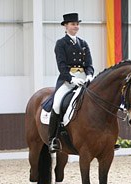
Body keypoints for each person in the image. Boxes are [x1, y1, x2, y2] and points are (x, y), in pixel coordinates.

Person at [48, 13, 94, 153]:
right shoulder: (61, 43)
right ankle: (53, 139)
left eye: (77, 24)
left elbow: (89, 64)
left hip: (84, 79)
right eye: (73, 24)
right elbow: (61, 66)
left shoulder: (83, 43)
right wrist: (72, 79)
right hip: (67, 80)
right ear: (66, 26)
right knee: (56, 104)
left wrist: (90, 75)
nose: (76, 26)